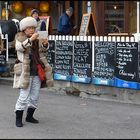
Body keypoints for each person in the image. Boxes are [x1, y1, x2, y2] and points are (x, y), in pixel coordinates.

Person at [13, 16, 54, 127]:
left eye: (33, 27)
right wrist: (30, 40)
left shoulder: (37, 39)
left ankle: (29, 116)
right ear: (24, 29)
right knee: (23, 96)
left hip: (37, 72)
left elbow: (43, 51)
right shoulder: (20, 38)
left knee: (35, 96)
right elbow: (20, 48)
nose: (31, 30)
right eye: (29, 28)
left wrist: (45, 44)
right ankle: (18, 119)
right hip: (25, 72)